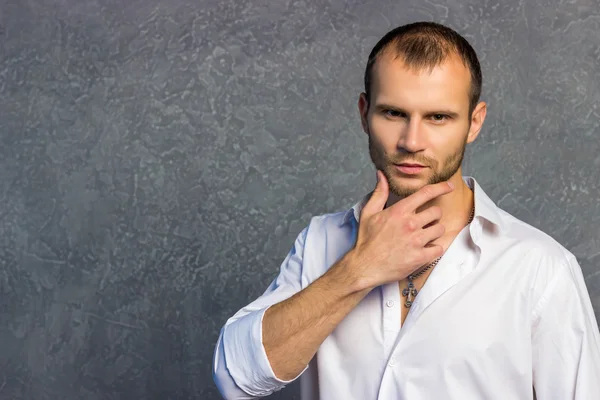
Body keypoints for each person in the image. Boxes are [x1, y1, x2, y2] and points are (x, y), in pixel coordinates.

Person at [212, 21, 600, 399]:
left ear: (474, 123)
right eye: (393, 113)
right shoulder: (320, 242)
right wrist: (358, 270)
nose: (412, 141)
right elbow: (236, 379)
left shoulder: (540, 269)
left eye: (438, 117)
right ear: (364, 113)